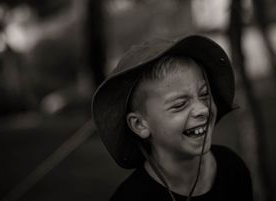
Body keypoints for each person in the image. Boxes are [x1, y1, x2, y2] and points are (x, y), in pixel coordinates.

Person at [92, 34, 253, 201]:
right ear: (140, 124)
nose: (202, 109)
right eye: (179, 105)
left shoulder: (232, 169)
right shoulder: (131, 197)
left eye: (204, 94)